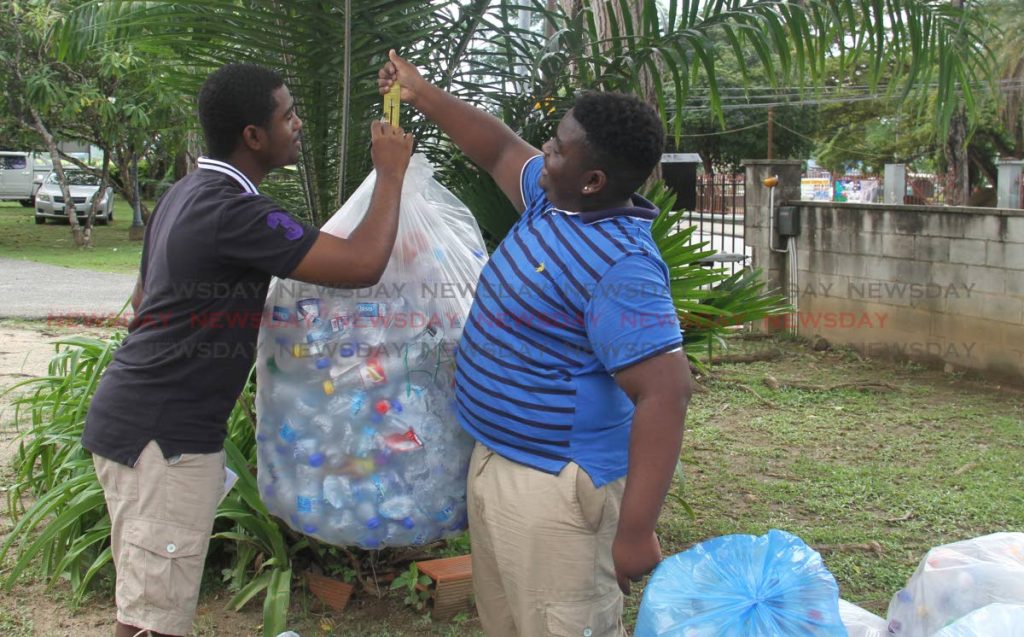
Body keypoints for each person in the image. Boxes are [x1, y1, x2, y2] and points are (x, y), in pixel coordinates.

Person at [82, 63, 413, 637]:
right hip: (161, 441)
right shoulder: (235, 212)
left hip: (141, 422)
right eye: (288, 116)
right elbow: (361, 265)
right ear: (253, 137)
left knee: (147, 603)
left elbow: (147, 302)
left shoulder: (187, 192)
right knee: (152, 622)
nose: (299, 124)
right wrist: (389, 175)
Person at [379, 51, 693, 636]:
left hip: (556, 487)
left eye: (555, 148)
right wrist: (421, 92)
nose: (541, 153)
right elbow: (498, 147)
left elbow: (667, 393)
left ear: (594, 179)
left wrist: (633, 531)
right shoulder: (556, 202)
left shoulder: (622, 266)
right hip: (497, 460)